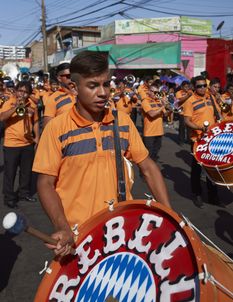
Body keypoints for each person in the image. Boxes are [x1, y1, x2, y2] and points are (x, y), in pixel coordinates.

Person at [33, 50, 171, 257]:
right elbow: (45, 183)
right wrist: (62, 227)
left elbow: (148, 167)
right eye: (92, 85)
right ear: (74, 87)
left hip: (121, 232)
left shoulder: (122, 121)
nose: (103, 93)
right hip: (78, 237)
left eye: (106, 84)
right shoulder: (56, 129)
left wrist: (170, 215)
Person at [183, 76, 223, 208]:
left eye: (204, 85)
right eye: (199, 86)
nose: (202, 88)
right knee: (197, 169)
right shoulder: (190, 101)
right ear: (194, 87)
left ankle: (213, 197)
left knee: (212, 168)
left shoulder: (210, 97)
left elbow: (217, 114)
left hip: (212, 139)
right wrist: (200, 128)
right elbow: (187, 121)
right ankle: (197, 194)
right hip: (198, 140)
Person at [0, 81, 39, 208]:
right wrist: (15, 108)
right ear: (16, 91)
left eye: (25, 92)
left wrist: (37, 137)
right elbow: (2, 117)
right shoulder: (9, 102)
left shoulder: (32, 104)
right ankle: (9, 197)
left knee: (26, 171)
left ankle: (24, 193)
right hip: (11, 144)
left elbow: (36, 122)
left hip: (27, 143)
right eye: (20, 91)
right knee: (10, 173)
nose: (22, 94)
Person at [43, 62, 76, 128]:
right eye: (68, 76)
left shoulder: (82, 93)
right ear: (59, 78)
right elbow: (47, 127)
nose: (71, 78)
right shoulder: (53, 98)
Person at [141, 83, 167, 162]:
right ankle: (144, 173)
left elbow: (165, 114)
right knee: (148, 156)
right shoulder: (145, 101)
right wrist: (163, 106)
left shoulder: (158, 101)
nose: (155, 94)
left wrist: (169, 107)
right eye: (153, 92)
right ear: (149, 91)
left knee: (155, 153)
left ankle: (152, 171)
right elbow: (152, 114)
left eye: (156, 92)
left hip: (159, 131)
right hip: (149, 133)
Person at [175, 81, 193, 145]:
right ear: (182, 87)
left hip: (190, 112)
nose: (187, 88)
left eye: (188, 87)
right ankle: (181, 140)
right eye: (185, 87)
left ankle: (189, 140)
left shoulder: (191, 92)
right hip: (182, 112)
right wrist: (188, 95)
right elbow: (180, 100)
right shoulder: (178, 93)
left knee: (189, 127)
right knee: (182, 127)